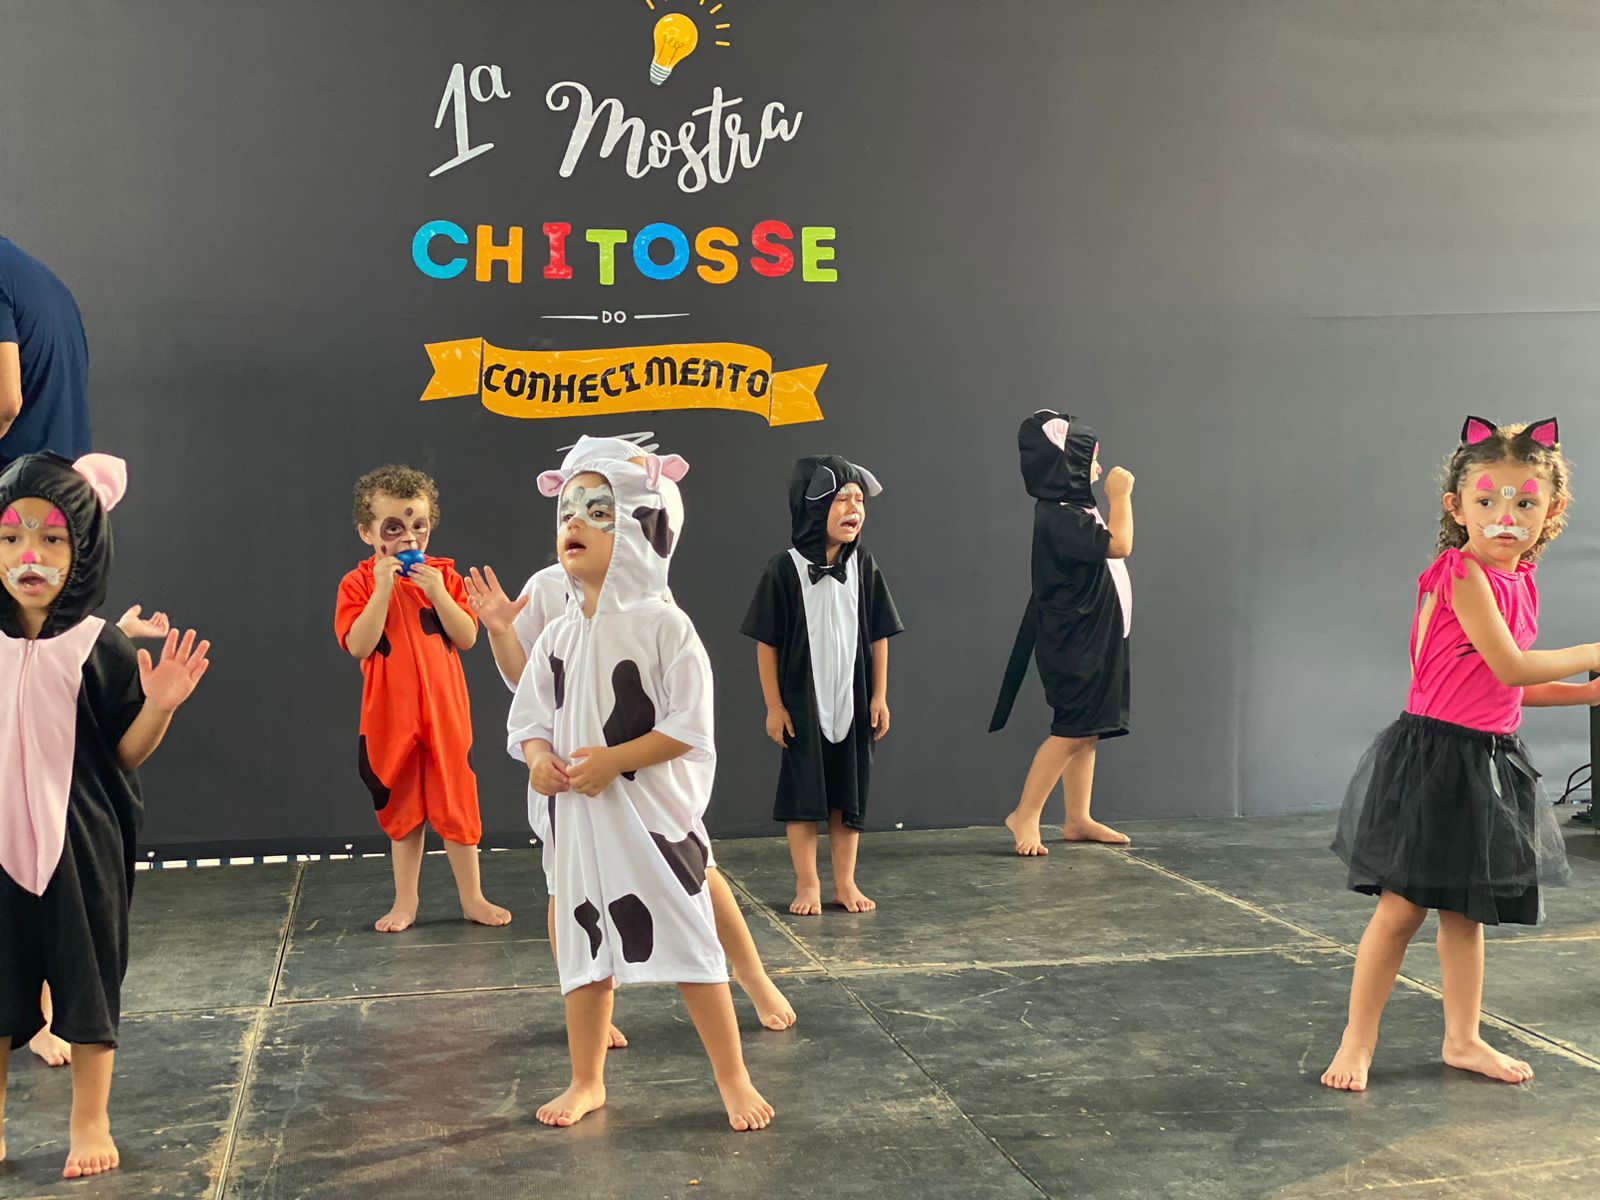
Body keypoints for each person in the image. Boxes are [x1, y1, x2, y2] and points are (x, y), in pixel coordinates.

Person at [508, 436, 773, 1131]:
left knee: (691, 942)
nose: (575, 521)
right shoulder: (559, 634)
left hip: (653, 827)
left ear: (641, 527)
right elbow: (530, 717)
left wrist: (614, 759)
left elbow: (689, 726)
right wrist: (539, 759)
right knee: (584, 952)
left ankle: (733, 1077)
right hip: (580, 830)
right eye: (568, 509)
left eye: (598, 510)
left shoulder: (665, 627)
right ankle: (586, 1079)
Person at [1323, 416, 1593, 1092]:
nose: (1506, 516)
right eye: (1488, 500)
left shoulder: (1520, 580)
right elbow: (1511, 665)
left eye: (1524, 502)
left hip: (1487, 757)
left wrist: (1588, 693)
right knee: (1400, 911)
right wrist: (1591, 651)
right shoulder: (1461, 574)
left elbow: (1508, 689)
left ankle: (1463, 1038)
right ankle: (1357, 1039)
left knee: (1466, 914)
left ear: (1551, 511)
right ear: (1457, 506)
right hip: (1435, 758)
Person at [0, 453, 209, 1178]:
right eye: (11, 537)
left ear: (83, 547)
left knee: (87, 982)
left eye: (51, 538)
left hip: (77, 844)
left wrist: (160, 706)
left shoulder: (99, 645)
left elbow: (125, 753)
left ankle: (89, 1120)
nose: (29, 555)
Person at [334, 465, 510, 933]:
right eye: (393, 528)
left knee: (457, 799)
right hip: (391, 715)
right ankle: (405, 900)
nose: (409, 538)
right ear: (367, 533)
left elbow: (467, 636)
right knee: (403, 806)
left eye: (419, 526)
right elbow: (359, 644)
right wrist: (382, 590)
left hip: (445, 711)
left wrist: (439, 594)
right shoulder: (357, 584)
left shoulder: (444, 577)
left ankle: (472, 897)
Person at [741, 456, 903, 916]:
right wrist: (774, 705)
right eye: (842, 499)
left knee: (849, 794)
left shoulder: (864, 565)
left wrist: (879, 695)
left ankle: (845, 882)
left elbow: (879, 634)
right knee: (803, 795)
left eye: (859, 500)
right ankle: (808, 883)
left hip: (853, 697)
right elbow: (767, 643)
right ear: (814, 507)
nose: (855, 508)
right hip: (802, 701)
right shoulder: (784, 569)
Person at [991, 411, 1134, 855]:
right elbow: (1120, 544)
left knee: (1088, 729)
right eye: (1090, 459)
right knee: (1071, 729)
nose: (1098, 466)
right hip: (1075, 639)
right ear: (1065, 465)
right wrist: (1120, 497)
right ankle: (1025, 813)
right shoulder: (1061, 516)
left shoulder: (1073, 510)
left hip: (1096, 633)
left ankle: (1077, 817)